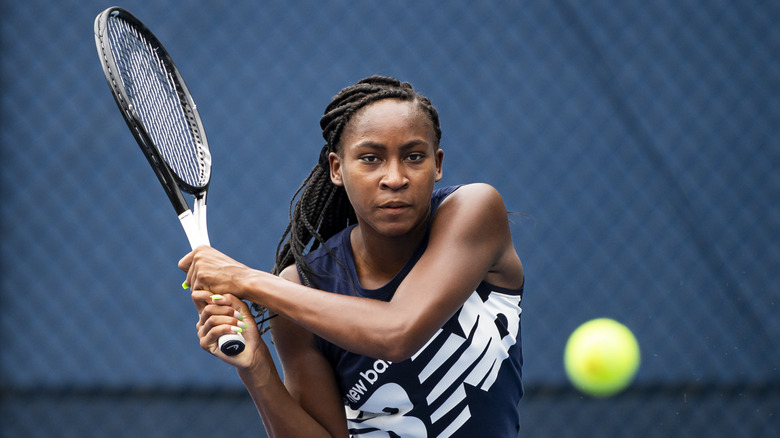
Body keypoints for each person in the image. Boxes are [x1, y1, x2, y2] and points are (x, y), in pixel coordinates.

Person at [179, 75, 525, 437]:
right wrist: (256, 368)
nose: (394, 177)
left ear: (437, 165)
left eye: (414, 157)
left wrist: (247, 280)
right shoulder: (302, 288)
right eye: (371, 158)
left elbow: (397, 332)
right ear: (337, 169)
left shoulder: (475, 211)